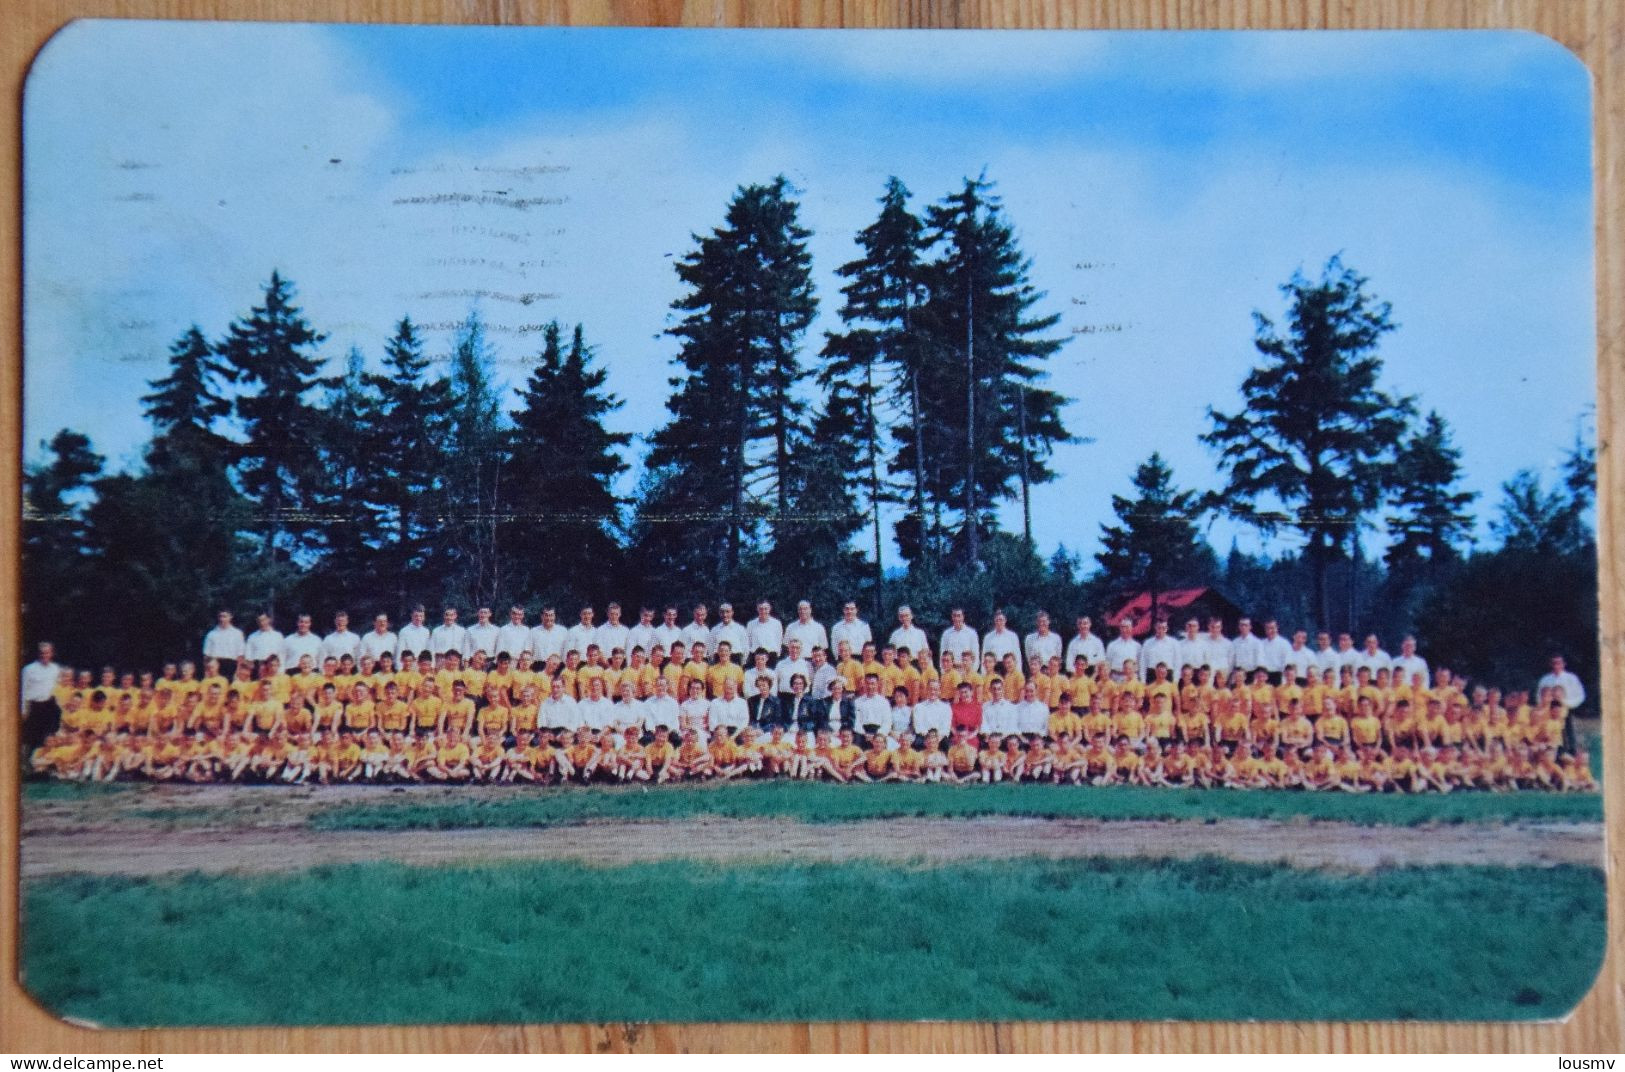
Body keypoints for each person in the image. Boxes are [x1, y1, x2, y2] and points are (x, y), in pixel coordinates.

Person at [21, 642, 62, 764]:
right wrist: (24, 709)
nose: (45, 655)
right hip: (34, 706)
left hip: (49, 705)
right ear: (39, 654)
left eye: (47, 652)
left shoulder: (55, 668)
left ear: (52, 653)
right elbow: (23, 690)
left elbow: (58, 687)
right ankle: (27, 762)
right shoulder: (28, 669)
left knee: (46, 736)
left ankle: (43, 762)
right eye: (42, 653)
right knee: (31, 736)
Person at [203, 611, 246, 679]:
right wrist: (207, 672)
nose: (222, 619)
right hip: (215, 666)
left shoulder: (237, 633)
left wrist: (238, 671)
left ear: (230, 617)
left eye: (225, 616)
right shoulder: (211, 634)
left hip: (231, 666)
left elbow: (240, 655)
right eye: (220, 616)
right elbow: (206, 656)